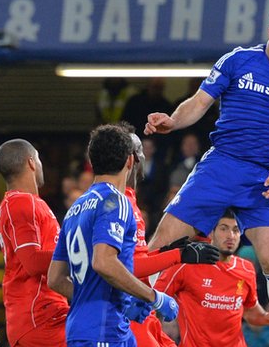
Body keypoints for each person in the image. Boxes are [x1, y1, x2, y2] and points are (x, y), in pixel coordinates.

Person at [144, 8, 269, 346]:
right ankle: (130, 318)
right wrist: (172, 121)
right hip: (220, 167)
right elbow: (198, 103)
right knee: (159, 245)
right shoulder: (237, 61)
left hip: (261, 178)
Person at [46, 124, 183, 346]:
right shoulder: (115, 201)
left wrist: (118, 298)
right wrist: (153, 297)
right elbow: (104, 262)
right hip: (104, 330)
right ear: (130, 161)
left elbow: (55, 278)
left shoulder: (76, 208)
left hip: (85, 327)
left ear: (92, 162)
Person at [120, 123, 220, 347]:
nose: (143, 156)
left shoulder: (125, 201)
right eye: (139, 151)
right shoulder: (119, 205)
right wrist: (177, 255)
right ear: (129, 159)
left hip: (138, 315)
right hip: (122, 319)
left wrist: (164, 252)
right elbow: (123, 266)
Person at [155, 210, 269, 346]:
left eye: (236, 230)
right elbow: (152, 302)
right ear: (211, 232)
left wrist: (267, 318)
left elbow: (249, 311)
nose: (230, 235)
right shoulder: (186, 264)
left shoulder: (246, 268)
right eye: (224, 229)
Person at [0, 139, 70, 346]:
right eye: (38, 158)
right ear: (31, 162)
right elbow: (33, 262)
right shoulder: (21, 202)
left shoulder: (19, 203)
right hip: (40, 317)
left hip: (42, 315)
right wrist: (81, 254)